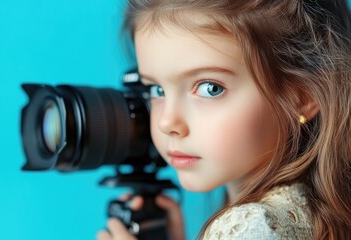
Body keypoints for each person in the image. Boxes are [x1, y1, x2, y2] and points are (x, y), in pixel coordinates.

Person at [97, 0, 351, 239]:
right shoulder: (309, 214)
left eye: (210, 88)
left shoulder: (248, 226)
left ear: (301, 96)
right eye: (156, 90)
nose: (167, 122)